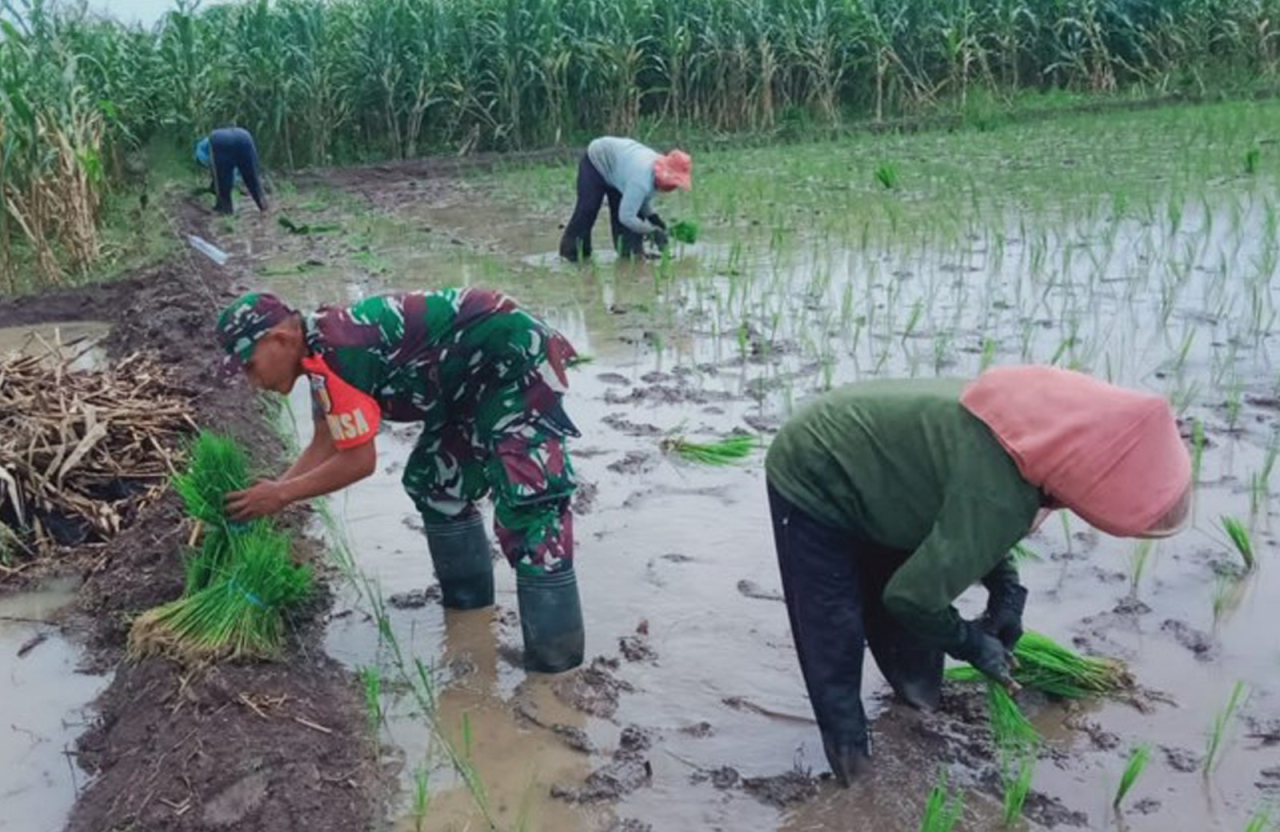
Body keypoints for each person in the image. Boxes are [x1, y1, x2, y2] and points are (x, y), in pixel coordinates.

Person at [763, 365, 1192, 785]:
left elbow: (972, 520)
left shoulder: (1035, 448)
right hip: (817, 468)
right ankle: (855, 772)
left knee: (910, 633)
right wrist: (971, 644)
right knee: (835, 632)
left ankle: (917, 704)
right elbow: (913, 595)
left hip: (889, 484)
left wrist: (1007, 589)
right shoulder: (1004, 483)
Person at [215, 288, 585, 673]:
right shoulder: (316, 357)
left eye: (248, 365)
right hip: (462, 385)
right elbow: (325, 442)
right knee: (435, 480)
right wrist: (274, 495)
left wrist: (280, 494)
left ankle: (555, 668)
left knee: (532, 507)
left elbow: (358, 461)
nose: (252, 381)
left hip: (512, 362)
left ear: (281, 339)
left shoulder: (340, 351)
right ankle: (469, 617)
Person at [559, 137, 692, 262]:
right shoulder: (641, 179)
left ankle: (631, 254)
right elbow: (627, 216)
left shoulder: (651, 177)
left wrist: (653, 218)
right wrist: (652, 232)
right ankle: (572, 254)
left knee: (631, 239)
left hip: (622, 171)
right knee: (588, 209)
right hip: (597, 161)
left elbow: (640, 200)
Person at [195, 127, 268, 215]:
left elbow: (219, 173)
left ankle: (224, 208)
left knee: (222, 179)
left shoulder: (201, 150)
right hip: (244, 136)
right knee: (251, 175)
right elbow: (239, 170)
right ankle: (262, 203)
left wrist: (215, 184)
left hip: (219, 140)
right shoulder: (205, 144)